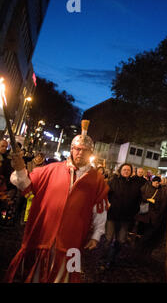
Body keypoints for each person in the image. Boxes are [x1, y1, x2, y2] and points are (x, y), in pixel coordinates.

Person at [5, 120, 109, 283]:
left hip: (73, 237)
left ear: (90, 152)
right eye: (76, 149)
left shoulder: (97, 180)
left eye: (84, 150)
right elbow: (24, 184)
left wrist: (96, 235)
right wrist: (19, 168)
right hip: (44, 232)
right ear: (71, 150)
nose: (79, 153)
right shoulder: (51, 169)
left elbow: (100, 210)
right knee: (35, 274)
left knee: (69, 274)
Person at [103, 163, 143, 269]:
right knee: (108, 238)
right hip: (112, 215)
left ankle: (112, 258)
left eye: (128, 170)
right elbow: (105, 194)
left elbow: (139, 199)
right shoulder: (113, 181)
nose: (126, 171)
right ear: (120, 170)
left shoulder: (135, 184)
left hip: (126, 218)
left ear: (131, 172)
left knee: (121, 240)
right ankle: (104, 258)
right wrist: (107, 204)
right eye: (124, 169)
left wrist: (135, 210)